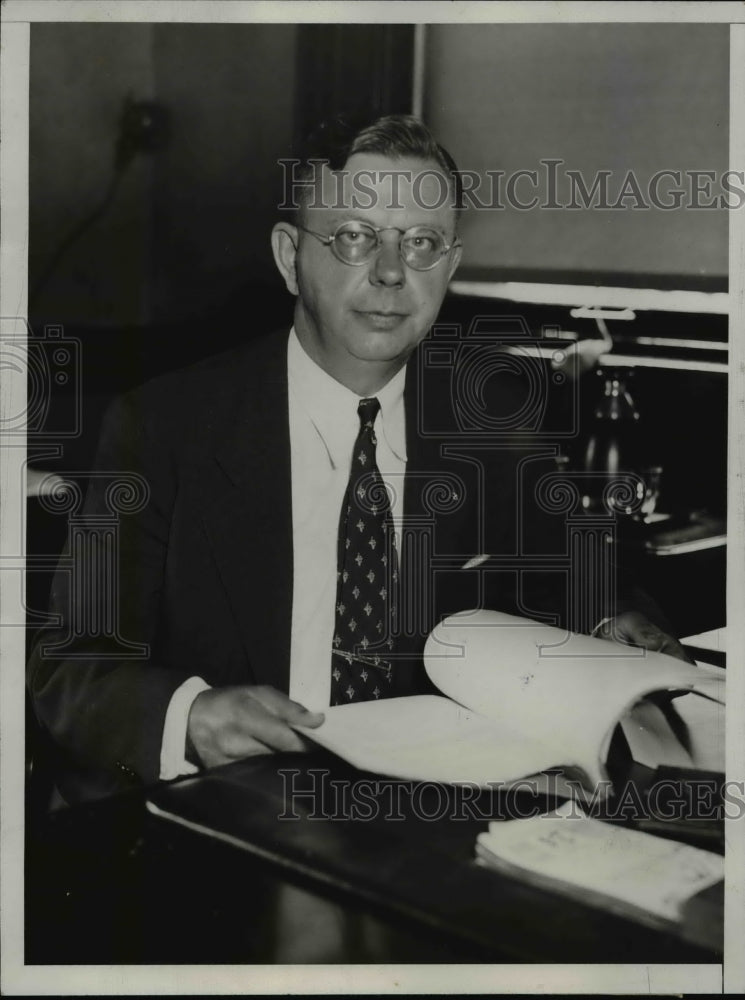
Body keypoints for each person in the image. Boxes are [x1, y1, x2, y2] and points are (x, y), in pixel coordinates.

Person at [27, 114, 690, 806]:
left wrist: (612, 621)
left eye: (423, 243)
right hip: (220, 812)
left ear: (450, 267)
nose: (391, 272)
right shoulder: (160, 428)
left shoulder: (488, 426)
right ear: (289, 257)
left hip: (420, 817)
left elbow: (580, 581)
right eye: (353, 237)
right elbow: (71, 667)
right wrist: (190, 715)